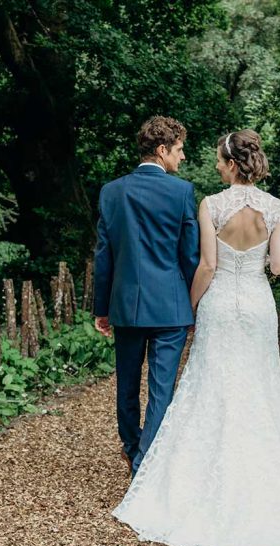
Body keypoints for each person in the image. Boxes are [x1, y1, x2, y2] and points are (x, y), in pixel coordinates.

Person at [111, 129, 280, 546]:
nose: (214, 166)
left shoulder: (212, 204)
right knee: (262, 388)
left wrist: (189, 307)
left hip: (220, 304)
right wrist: (267, 259)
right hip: (259, 305)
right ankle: (269, 480)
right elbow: (278, 267)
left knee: (214, 386)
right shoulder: (277, 207)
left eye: (218, 161)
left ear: (229, 163)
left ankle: (195, 478)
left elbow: (206, 265)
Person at [92, 115, 200, 477]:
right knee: (160, 389)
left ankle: (131, 446)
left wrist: (101, 307)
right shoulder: (182, 192)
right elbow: (189, 256)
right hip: (170, 308)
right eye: (180, 150)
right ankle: (144, 462)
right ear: (162, 150)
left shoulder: (111, 191)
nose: (182, 158)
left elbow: (104, 256)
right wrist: (194, 302)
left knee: (126, 383)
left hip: (125, 306)